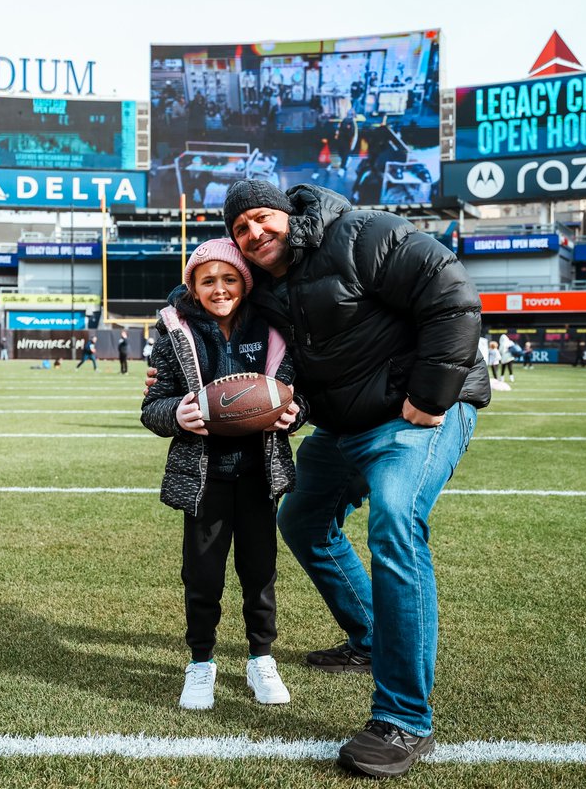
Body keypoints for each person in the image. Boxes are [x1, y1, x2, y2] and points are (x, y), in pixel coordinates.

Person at [219, 180, 489, 777]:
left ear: (288, 213)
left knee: (395, 521)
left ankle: (403, 719)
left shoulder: (362, 232)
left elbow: (450, 291)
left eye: (261, 218)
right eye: (241, 229)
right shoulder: (263, 285)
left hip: (416, 413)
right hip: (345, 424)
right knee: (301, 519)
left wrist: (432, 392)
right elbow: (201, 297)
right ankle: (370, 637)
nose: (254, 233)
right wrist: (169, 363)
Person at [141, 239, 305, 713]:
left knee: (260, 572)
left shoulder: (272, 329)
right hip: (204, 476)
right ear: (192, 287)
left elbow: (299, 397)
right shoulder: (176, 334)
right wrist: (177, 414)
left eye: (229, 278)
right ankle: (201, 662)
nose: (219, 289)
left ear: (245, 283)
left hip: (259, 473)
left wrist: (293, 413)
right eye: (207, 280)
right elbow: (152, 406)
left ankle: (261, 658)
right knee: (202, 575)